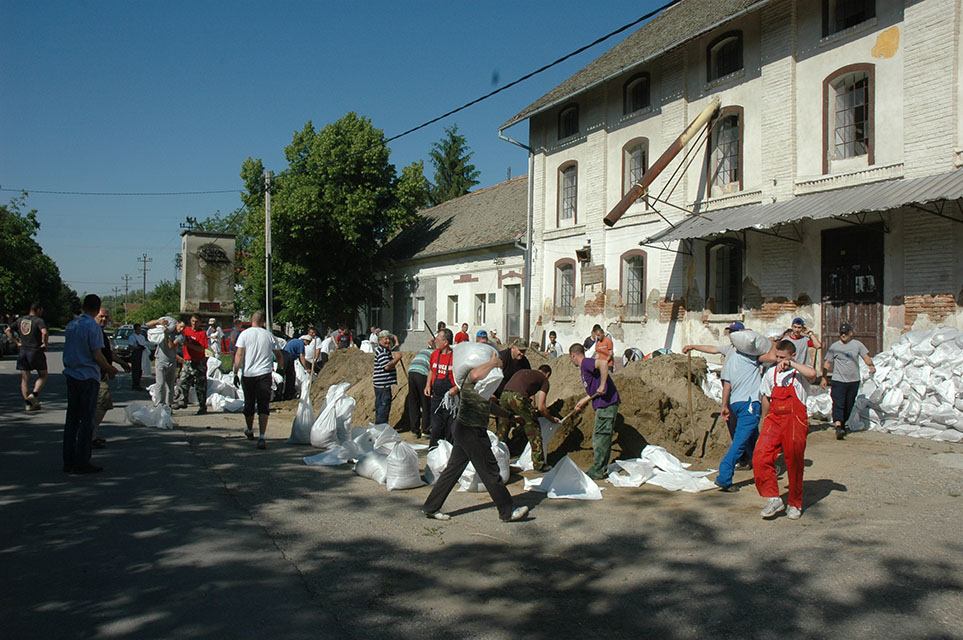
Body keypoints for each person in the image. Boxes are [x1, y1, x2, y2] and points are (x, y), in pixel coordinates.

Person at [422, 351, 529, 523]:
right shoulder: (470, 379)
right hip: (471, 431)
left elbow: (490, 407)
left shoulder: (482, 388)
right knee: (490, 471)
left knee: (452, 471)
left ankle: (431, 507)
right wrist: (494, 362)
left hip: (464, 430)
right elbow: (475, 373)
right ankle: (507, 511)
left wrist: (509, 416)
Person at [754, 340, 818, 520]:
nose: (779, 360)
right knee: (760, 455)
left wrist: (791, 365)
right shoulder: (771, 373)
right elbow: (766, 397)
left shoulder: (800, 373)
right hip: (774, 419)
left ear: (792, 356)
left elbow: (813, 373)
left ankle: (795, 503)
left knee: (794, 461)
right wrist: (765, 421)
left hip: (795, 420)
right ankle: (773, 498)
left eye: (783, 357)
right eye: (778, 357)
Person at [714, 333, 777, 492]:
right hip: (750, 405)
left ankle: (764, 469)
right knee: (740, 443)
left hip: (736, 403)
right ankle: (724, 477)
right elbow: (774, 357)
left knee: (754, 441)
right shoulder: (752, 357)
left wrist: (724, 406)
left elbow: (726, 386)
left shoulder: (731, 360)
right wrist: (773, 342)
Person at [62, 294, 117, 474]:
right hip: (87, 376)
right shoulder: (92, 327)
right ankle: (82, 461)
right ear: (97, 307)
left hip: (71, 374)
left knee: (71, 420)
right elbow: (97, 355)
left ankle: (68, 459)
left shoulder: (72, 325)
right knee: (86, 420)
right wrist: (109, 369)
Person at [683, 321, 749, 468]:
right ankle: (744, 459)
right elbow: (713, 349)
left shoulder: (747, 350)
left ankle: (754, 459)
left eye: (735, 332)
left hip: (742, 394)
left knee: (743, 429)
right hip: (730, 393)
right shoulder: (730, 348)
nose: (732, 336)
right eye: (731, 333)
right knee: (733, 426)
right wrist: (694, 346)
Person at [569, 343, 621, 480]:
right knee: (600, 436)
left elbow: (603, 363)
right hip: (602, 403)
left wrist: (604, 384)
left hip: (607, 404)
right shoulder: (585, 367)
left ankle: (598, 470)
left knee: (600, 437)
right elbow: (594, 390)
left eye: (571, 358)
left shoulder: (586, 363)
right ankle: (600, 467)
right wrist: (584, 400)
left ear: (573, 355)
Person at [233, 311, 283, 450]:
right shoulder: (269, 335)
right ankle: (262, 436)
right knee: (263, 405)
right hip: (265, 374)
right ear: (263, 322)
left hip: (248, 374)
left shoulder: (244, 334)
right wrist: (280, 369)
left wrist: (235, 372)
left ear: (251, 320)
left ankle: (249, 430)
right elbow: (278, 354)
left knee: (249, 404)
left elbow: (239, 353)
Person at [496, 364, 560, 472]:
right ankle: (539, 465)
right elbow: (541, 407)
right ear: (548, 374)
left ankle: (497, 461)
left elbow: (529, 395)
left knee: (502, 430)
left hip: (504, 396)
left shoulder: (526, 373)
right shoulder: (544, 380)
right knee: (534, 430)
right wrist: (551, 419)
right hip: (518, 398)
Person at [822, 322, 875, 440]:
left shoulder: (857, 345)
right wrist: (824, 377)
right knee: (838, 403)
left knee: (849, 404)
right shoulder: (835, 346)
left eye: (846, 333)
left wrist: (871, 365)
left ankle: (843, 423)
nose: (843, 335)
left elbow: (865, 356)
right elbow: (827, 362)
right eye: (841, 333)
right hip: (838, 380)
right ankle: (838, 426)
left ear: (851, 333)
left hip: (853, 381)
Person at [91, 308, 132, 449]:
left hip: (101, 374)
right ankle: (89, 436)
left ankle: (91, 435)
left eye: (106, 317)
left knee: (98, 405)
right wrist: (109, 368)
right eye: (101, 316)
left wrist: (123, 363)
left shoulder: (101, 333)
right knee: (102, 403)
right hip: (96, 375)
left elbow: (108, 354)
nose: (104, 319)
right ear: (95, 316)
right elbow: (97, 355)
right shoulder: (94, 332)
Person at [6, 302, 49, 411]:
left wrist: (16, 342)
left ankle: (28, 404)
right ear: (38, 310)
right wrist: (45, 343)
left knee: (25, 379)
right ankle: (33, 395)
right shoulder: (38, 321)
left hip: (23, 351)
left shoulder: (21, 320)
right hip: (35, 350)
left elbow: (7, 330)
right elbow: (44, 332)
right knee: (43, 375)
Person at [425, 328, 458, 449]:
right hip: (436, 398)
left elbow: (462, 378)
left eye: (438, 339)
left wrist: (456, 388)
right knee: (436, 428)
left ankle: (450, 455)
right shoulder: (434, 354)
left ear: (446, 342)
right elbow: (431, 371)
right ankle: (433, 453)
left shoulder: (455, 358)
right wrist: (428, 385)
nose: (435, 341)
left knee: (450, 429)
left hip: (450, 400)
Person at [146, 316, 184, 408]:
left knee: (170, 385)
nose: (181, 329)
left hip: (171, 361)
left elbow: (171, 346)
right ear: (176, 324)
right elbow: (148, 324)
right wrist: (159, 321)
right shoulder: (162, 329)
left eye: (183, 328)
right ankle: (159, 404)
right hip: (160, 360)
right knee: (160, 383)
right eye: (181, 326)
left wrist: (165, 333)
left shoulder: (181, 336)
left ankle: (168, 405)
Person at [175, 314, 209, 414]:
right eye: (193, 321)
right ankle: (182, 401)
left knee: (200, 385)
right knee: (183, 381)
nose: (194, 323)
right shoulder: (186, 331)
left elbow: (202, 348)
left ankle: (202, 406)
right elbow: (177, 332)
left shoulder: (202, 333)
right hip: (188, 361)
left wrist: (188, 345)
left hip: (199, 361)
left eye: (196, 322)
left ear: (200, 322)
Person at [373, 330, 403, 424]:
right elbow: (387, 366)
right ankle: (381, 428)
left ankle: (381, 427)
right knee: (383, 408)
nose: (388, 341)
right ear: (380, 340)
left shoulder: (386, 350)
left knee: (383, 407)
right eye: (386, 339)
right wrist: (397, 358)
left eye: (389, 339)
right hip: (382, 386)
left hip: (384, 384)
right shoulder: (381, 351)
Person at [406, 341, 433, 438]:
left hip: (412, 372)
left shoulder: (423, 351)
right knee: (426, 402)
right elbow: (433, 370)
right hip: (422, 374)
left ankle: (414, 430)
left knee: (414, 403)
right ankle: (426, 430)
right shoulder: (435, 354)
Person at [282, 335, 312, 400]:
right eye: (308, 342)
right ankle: (289, 394)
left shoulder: (295, 341)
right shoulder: (301, 344)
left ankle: (281, 394)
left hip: (283, 356)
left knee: (283, 375)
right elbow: (302, 357)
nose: (308, 345)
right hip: (288, 357)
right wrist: (306, 368)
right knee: (291, 376)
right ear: (305, 340)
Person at [127, 323, 149, 390]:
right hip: (135, 354)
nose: (139, 331)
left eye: (140, 329)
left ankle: (138, 383)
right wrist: (137, 347)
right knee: (135, 370)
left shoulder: (142, 337)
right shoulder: (132, 337)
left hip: (142, 354)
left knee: (140, 369)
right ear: (135, 329)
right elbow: (130, 347)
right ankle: (135, 384)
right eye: (138, 329)